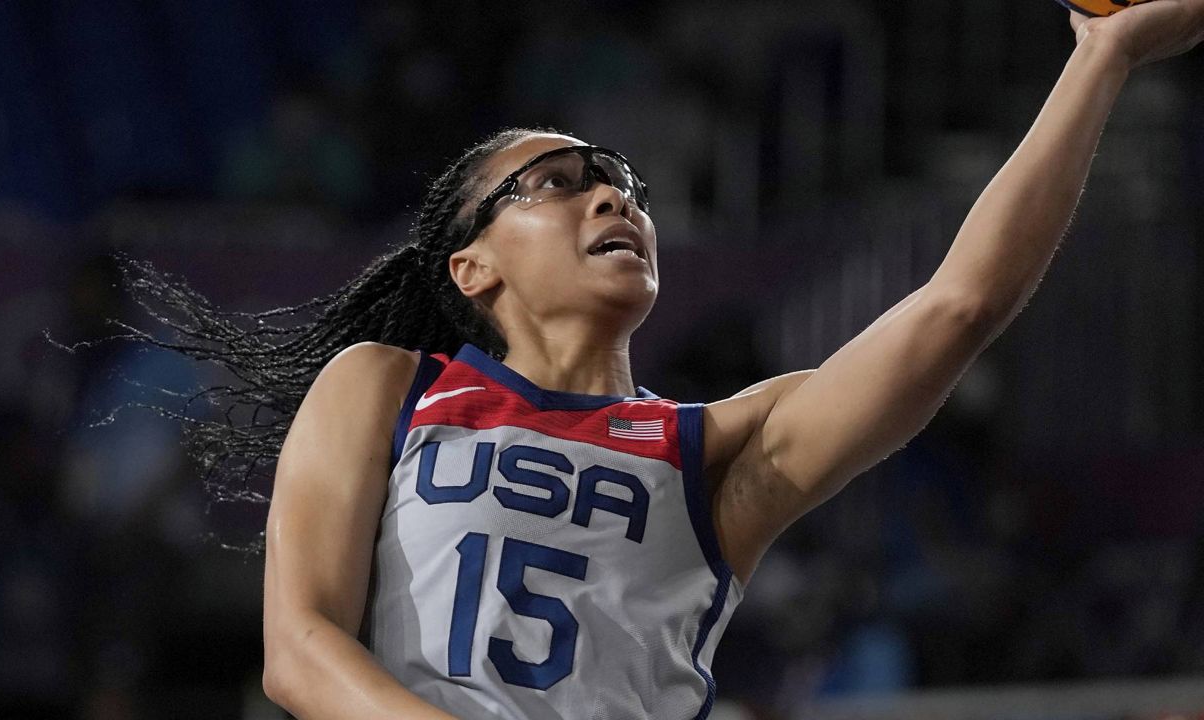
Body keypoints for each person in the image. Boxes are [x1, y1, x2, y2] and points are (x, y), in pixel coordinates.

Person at [110, 5, 1203, 718]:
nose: (611, 195)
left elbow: (956, 307)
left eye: (621, 181)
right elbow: (298, 651)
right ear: (473, 267)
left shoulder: (715, 453)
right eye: (560, 180)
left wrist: (1098, 57)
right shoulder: (385, 386)